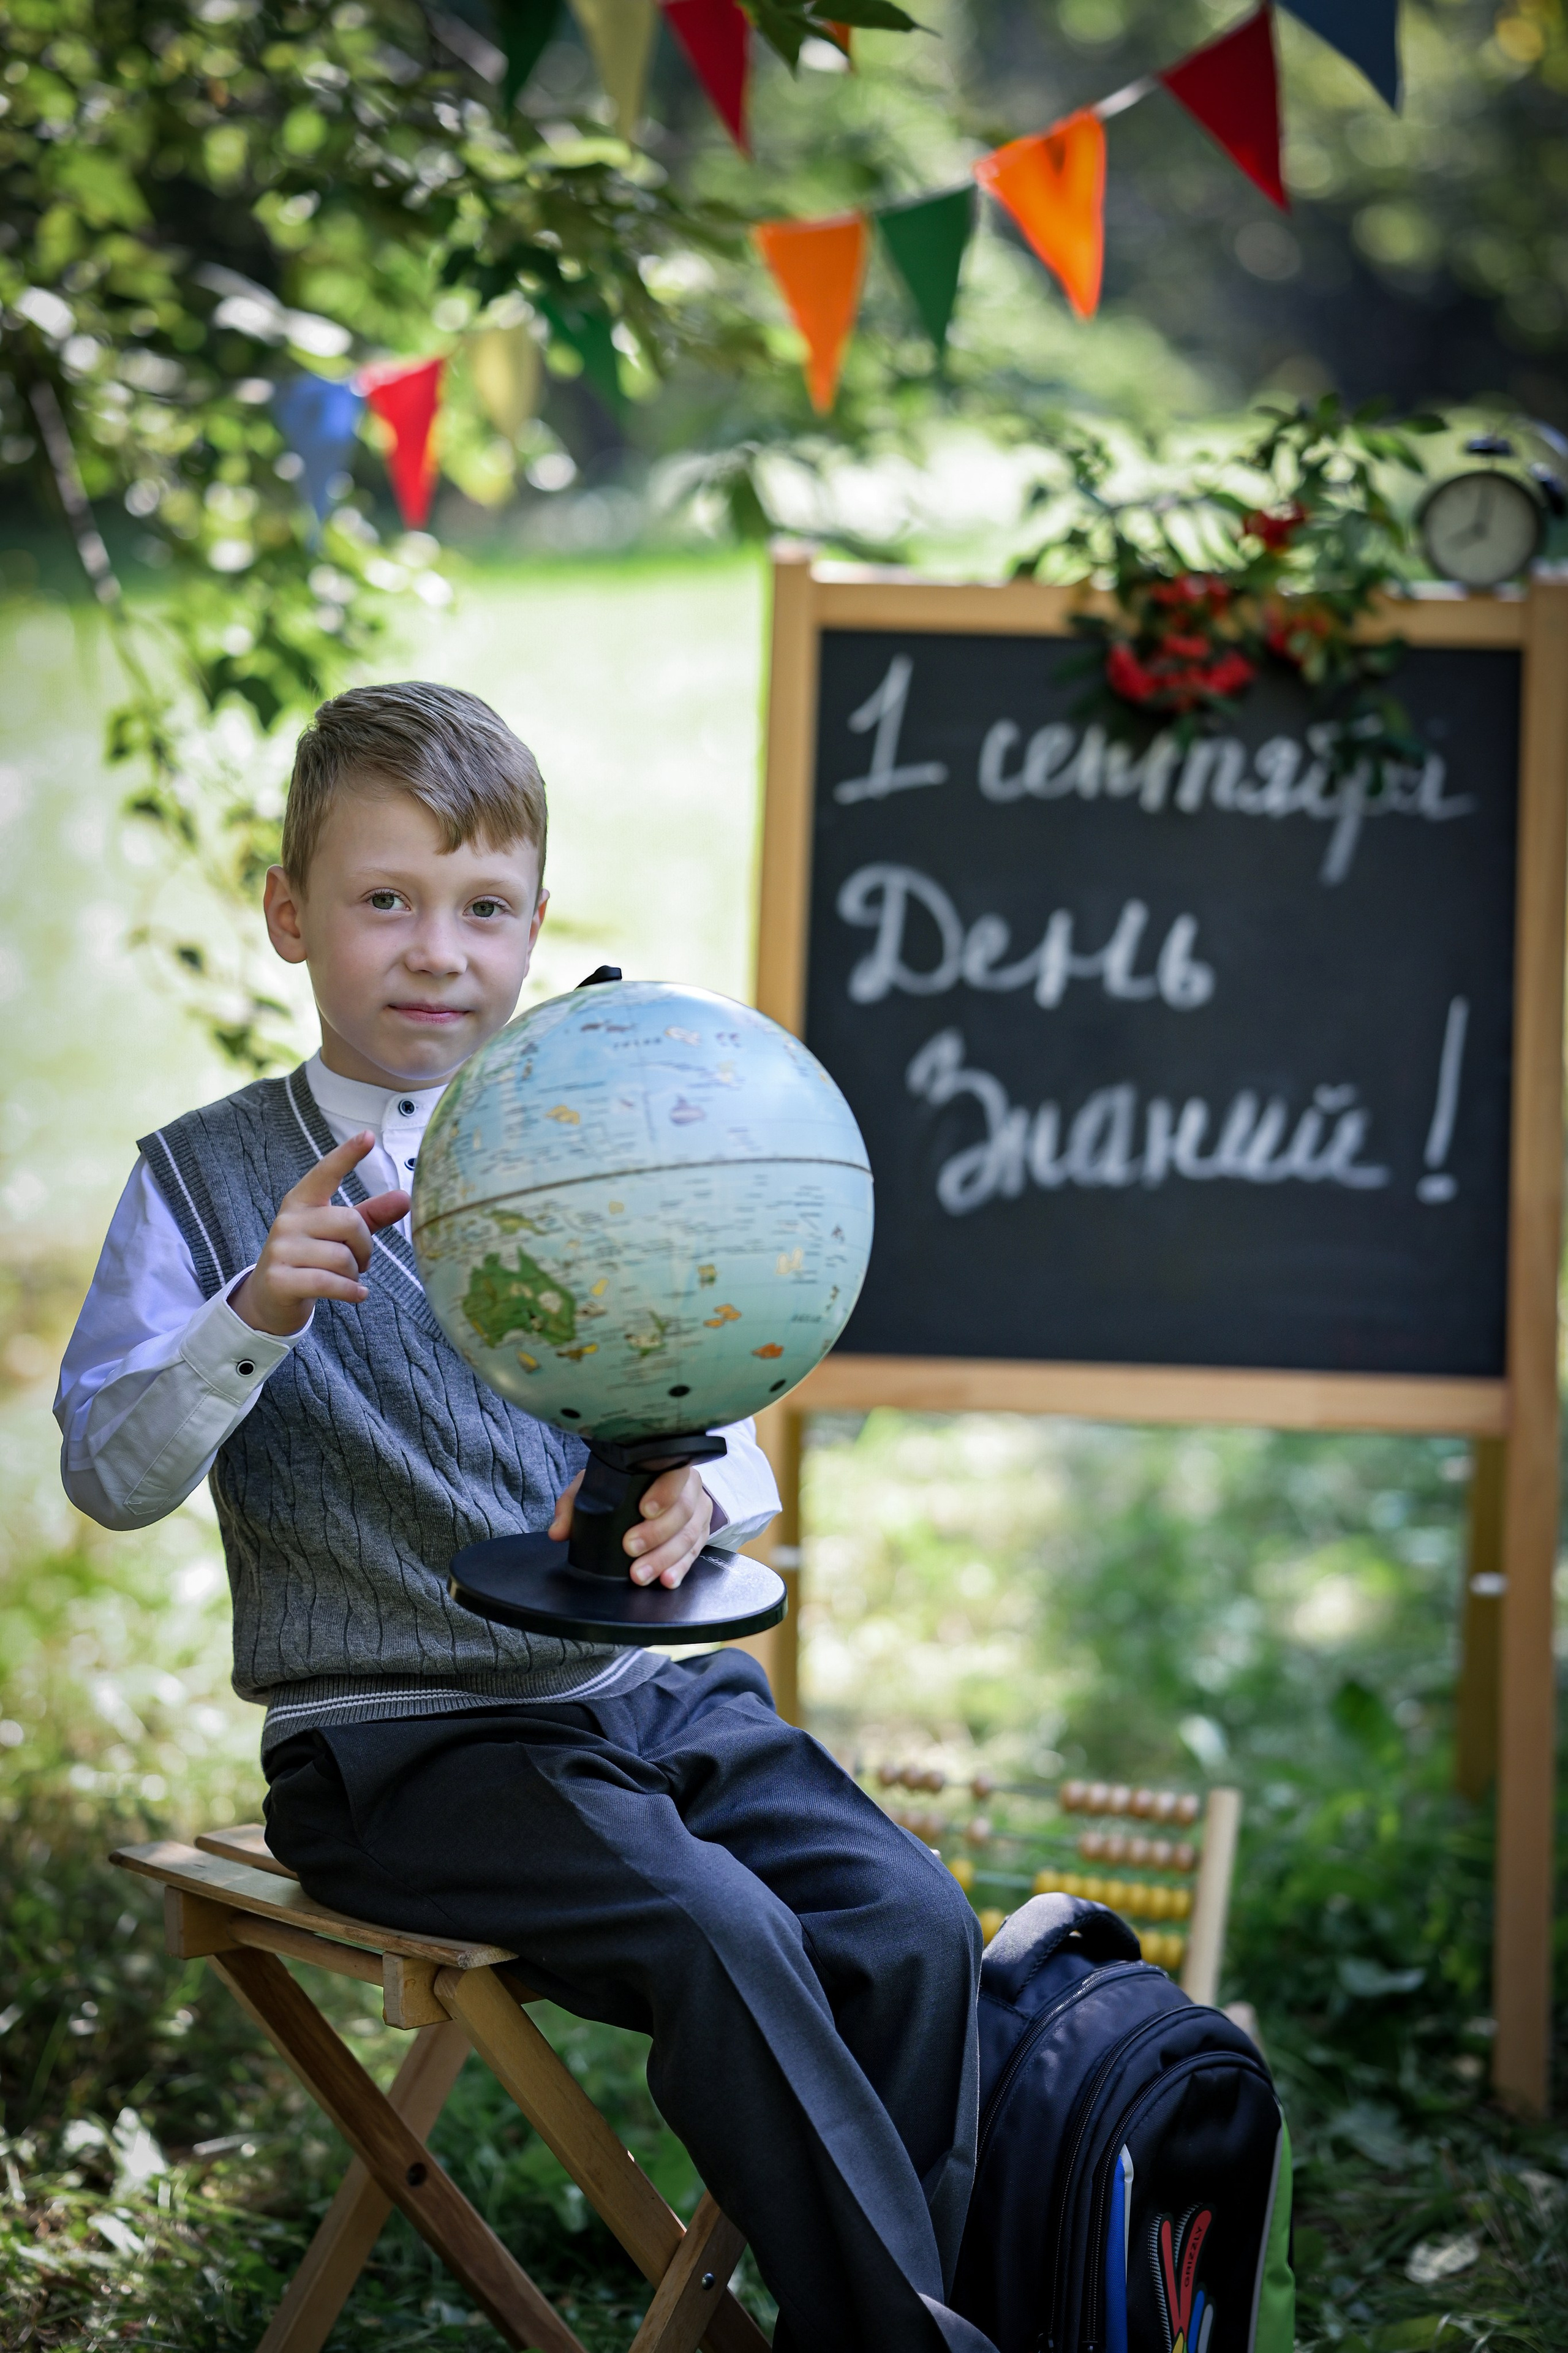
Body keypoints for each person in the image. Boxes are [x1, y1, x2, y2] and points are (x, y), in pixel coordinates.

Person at [56, 682, 990, 2353]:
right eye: (385, 899)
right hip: (407, 1753)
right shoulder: (203, 1183)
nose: (438, 951)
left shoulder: (606, 1131)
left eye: (484, 908)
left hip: (657, 1700)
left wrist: (700, 1487)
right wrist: (248, 1317)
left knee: (909, 1921)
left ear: (539, 925)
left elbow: (729, 1423)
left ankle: (922, 2304)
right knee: (725, 1933)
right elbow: (109, 1475)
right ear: (291, 915)